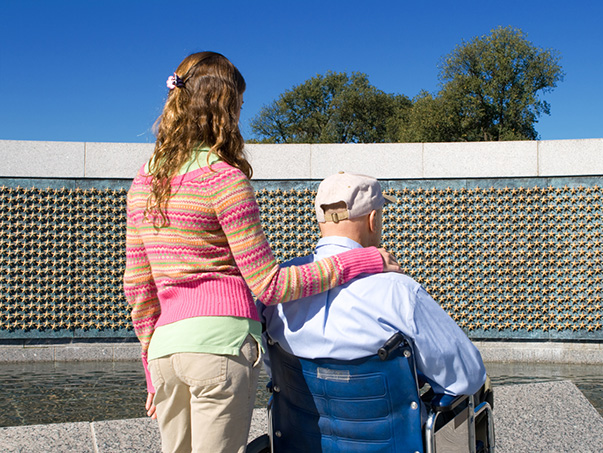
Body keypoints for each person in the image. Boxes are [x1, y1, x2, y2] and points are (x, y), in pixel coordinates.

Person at [123, 52, 400, 453]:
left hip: (166, 352)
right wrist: (362, 260)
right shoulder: (223, 179)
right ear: (225, 106)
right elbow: (270, 285)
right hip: (220, 347)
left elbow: (137, 287)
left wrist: (151, 365)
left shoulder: (144, 184)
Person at [260, 171, 486, 400]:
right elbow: (467, 377)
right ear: (372, 219)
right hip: (390, 434)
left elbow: (274, 373)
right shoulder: (401, 292)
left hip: (300, 431)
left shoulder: (278, 291)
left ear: (319, 219)